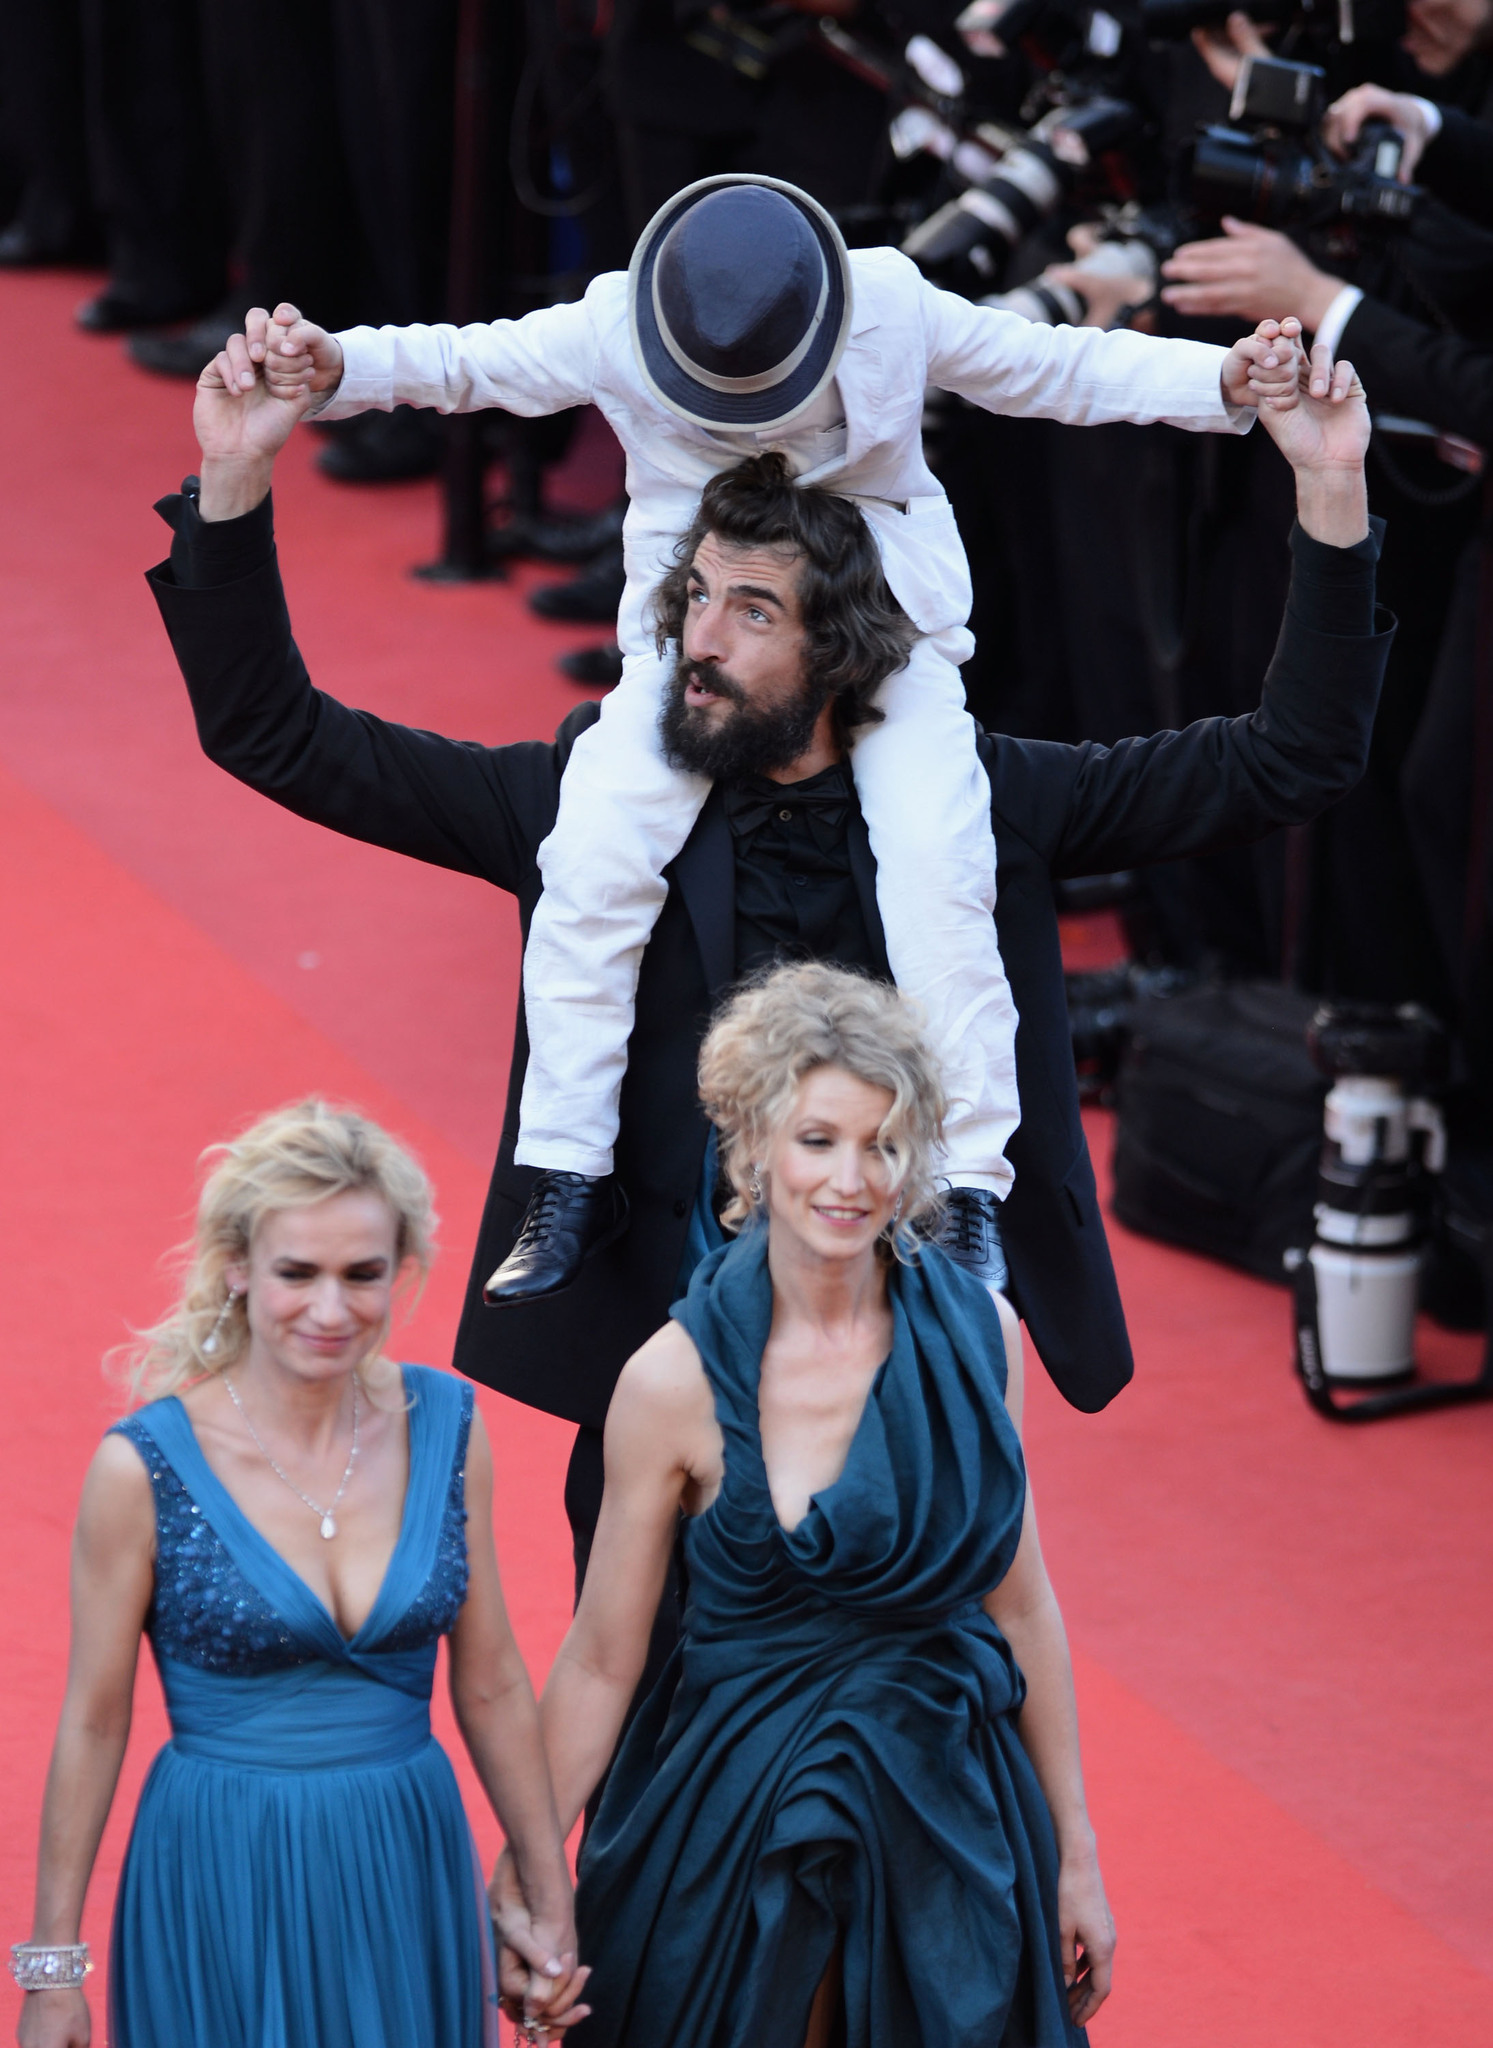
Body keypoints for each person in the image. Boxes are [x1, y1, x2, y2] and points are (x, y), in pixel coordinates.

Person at [150, 324, 1387, 1642]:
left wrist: (1327, 495)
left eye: (753, 613)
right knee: (640, 1769)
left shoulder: (984, 809)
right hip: (659, 1389)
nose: (703, 640)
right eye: (695, 599)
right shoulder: (585, 806)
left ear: (843, 648)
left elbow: (1288, 760)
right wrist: (235, 480)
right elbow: (276, 735)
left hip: (897, 1399)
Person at [231, 174, 1304, 1309]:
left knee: (942, 866)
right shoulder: (613, 324)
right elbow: (467, 361)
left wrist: (1217, 381)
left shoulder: (890, 303)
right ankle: (563, 1170)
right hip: (695, 639)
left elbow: (1053, 367)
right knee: (590, 864)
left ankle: (968, 1188)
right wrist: (336, 363)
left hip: (883, 630)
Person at [494, 960, 1114, 2047]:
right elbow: (602, 1656)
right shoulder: (670, 1381)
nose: (851, 1178)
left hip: (949, 1817)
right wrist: (531, 1864)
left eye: (882, 1143)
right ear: (752, 1148)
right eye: (818, 1139)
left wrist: (1074, 1848)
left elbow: (1021, 1607)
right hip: (733, 1822)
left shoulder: (981, 1338)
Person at [12, 1100, 582, 2048]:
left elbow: (489, 1683)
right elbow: (93, 1717)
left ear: (402, 1270)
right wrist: (52, 1970)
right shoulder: (143, 1465)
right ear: (237, 1267)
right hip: (219, 1872)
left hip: (406, 1861)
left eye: (362, 1275)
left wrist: (545, 1893)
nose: (331, 1309)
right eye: (297, 1274)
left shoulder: (447, 1428)